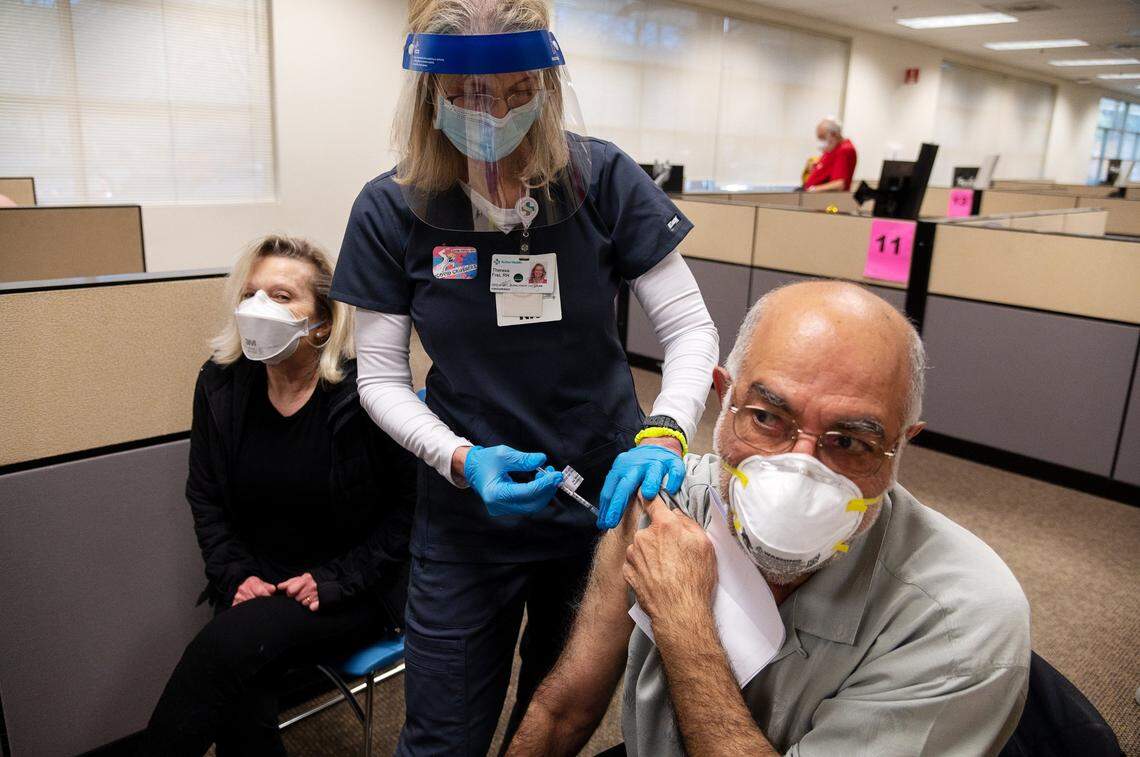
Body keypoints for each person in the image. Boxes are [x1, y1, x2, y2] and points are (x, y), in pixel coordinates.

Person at [329, 1, 718, 753]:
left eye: (516, 91)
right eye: (471, 95)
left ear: (546, 84)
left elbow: (690, 328)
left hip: (598, 498)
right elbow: (377, 376)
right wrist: (461, 458)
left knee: (556, 716)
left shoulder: (600, 177)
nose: (495, 114)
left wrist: (666, 431)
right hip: (468, 513)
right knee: (442, 734)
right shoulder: (390, 207)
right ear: (430, 95)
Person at [508, 281, 1032, 756]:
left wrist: (684, 619)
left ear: (900, 447)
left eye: (849, 442)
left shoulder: (961, 626)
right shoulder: (664, 503)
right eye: (766, 418)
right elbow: (563, 709)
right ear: (723, 396)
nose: (798, 471)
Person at [144, 236, 416, 756]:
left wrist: (334, 582)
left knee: (226, 646)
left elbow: (408, 511)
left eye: (281, 295)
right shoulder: (221, 385)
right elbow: (205, 497)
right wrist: (235, 576)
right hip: (253, 581)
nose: (258, 308)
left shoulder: (364, 396)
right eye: (250, 293)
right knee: (240, 681)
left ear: (322, 322)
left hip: (348, 587)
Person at [803, 117, 857, 192]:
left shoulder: (844, 150)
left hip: (827, 200)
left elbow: (839, 185)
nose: (821, 142)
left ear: (834, 134)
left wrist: (812, 189)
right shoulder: (832, 148)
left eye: (822, 137)